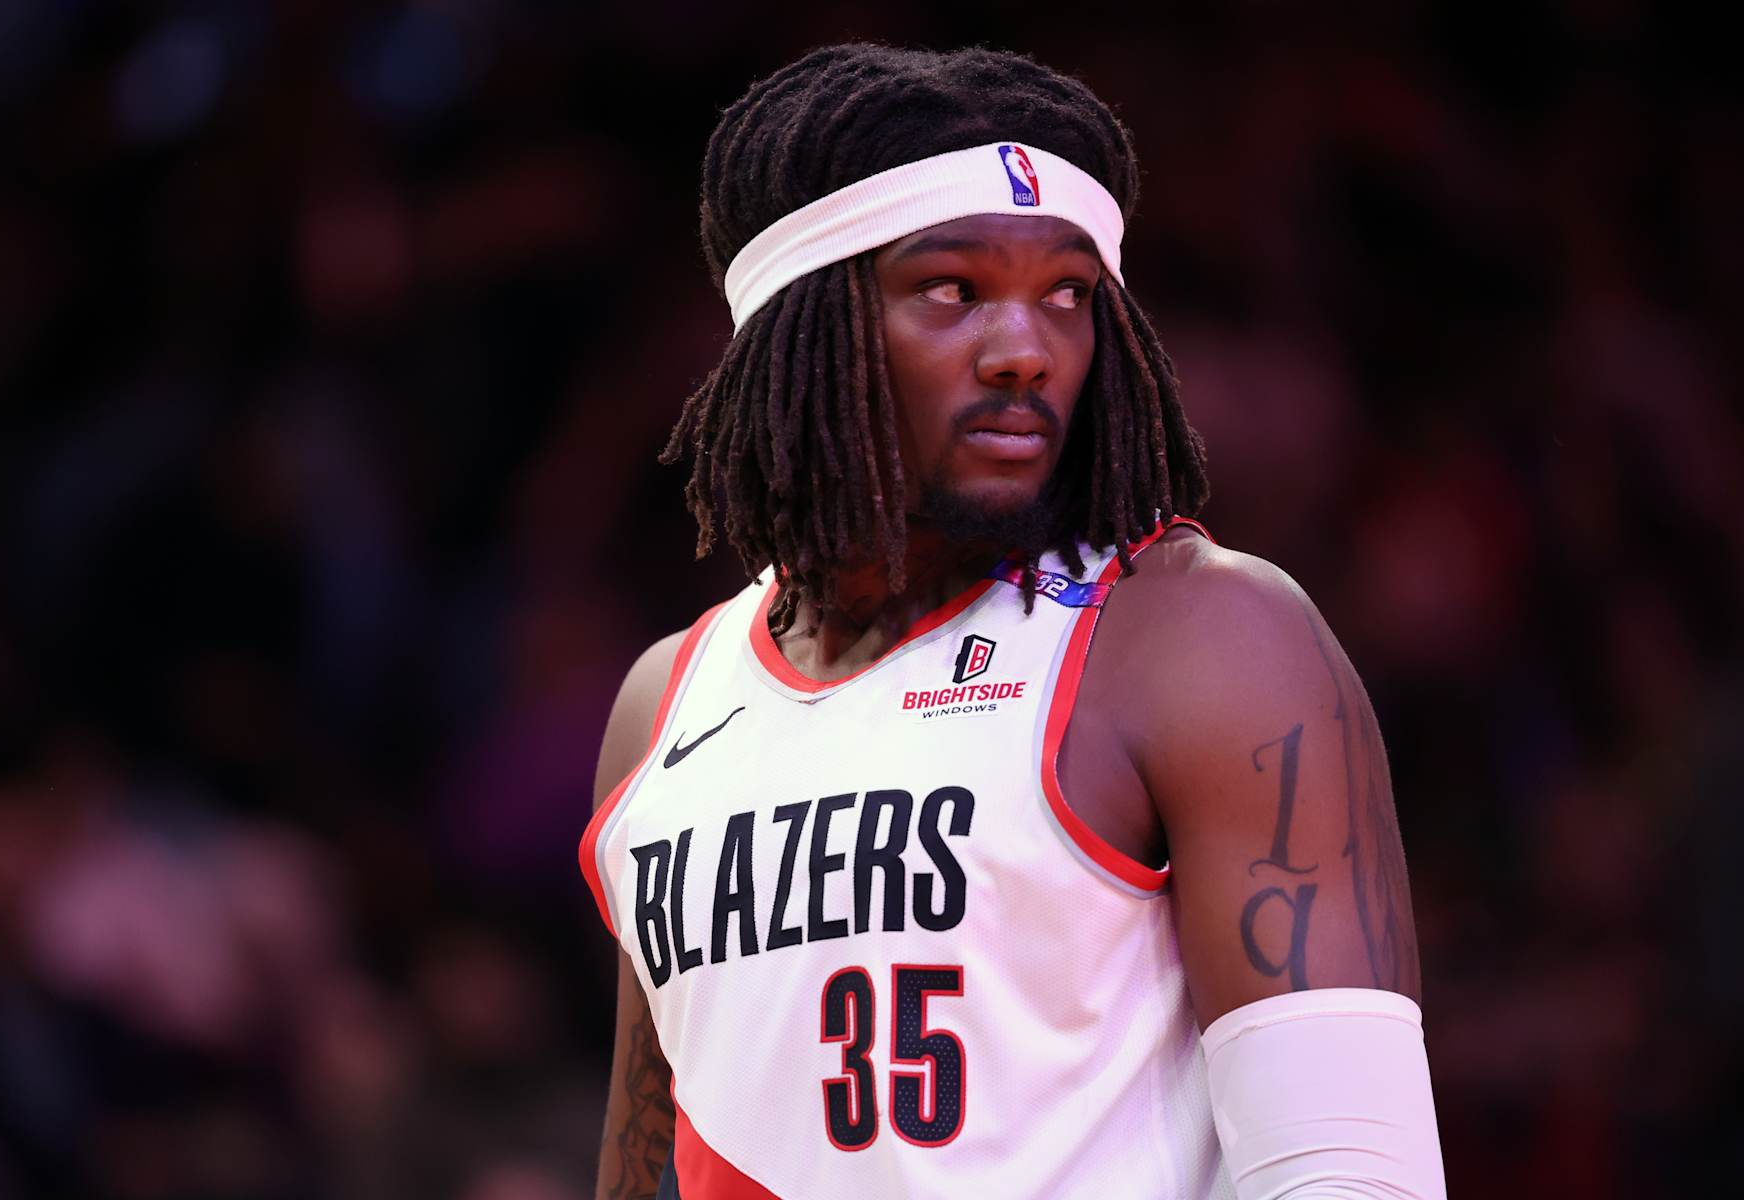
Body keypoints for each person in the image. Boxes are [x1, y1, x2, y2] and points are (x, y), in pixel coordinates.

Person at [580, 44, 1446, 1200]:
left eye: (1069, 296)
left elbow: (1354, 1175)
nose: (1025, 350)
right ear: (802, 327)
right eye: (952, 290)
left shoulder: (1193, 638)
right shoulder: (665, 705)